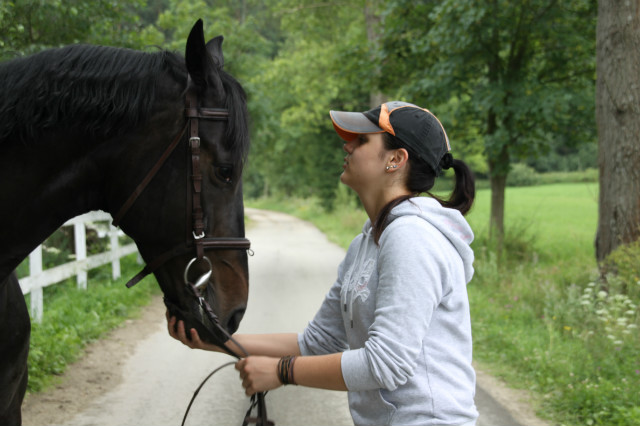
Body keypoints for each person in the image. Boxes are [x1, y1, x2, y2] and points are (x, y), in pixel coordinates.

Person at [168, 101, 479, 426]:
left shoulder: (412, 237)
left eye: (361, 141)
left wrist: (281, 371)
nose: (347, 145)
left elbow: (387, 363)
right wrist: (216, 340)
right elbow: (318, 342)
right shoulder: (366, 243)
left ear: (395, 159)